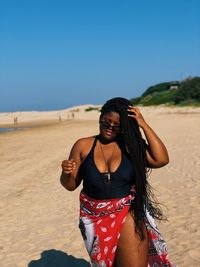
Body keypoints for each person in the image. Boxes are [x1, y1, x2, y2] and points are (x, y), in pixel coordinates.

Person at [60, 97, 175, 267]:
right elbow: (70, 185)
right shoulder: (83, 146)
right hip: (94, 219)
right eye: (107, 123)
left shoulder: (131, 146)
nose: (110, 128)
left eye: (117, 126)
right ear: (100, 118)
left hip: (127, 213)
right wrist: (66, 173)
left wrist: (143, 124)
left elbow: (161, 159)